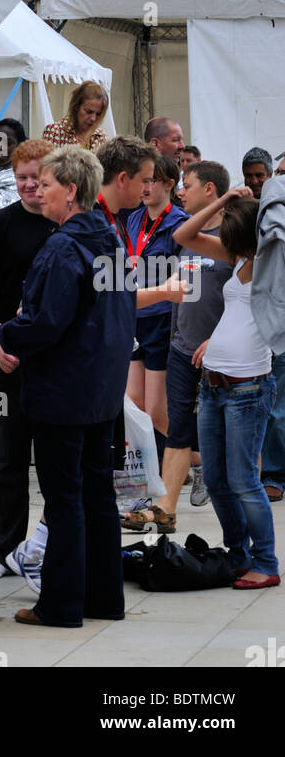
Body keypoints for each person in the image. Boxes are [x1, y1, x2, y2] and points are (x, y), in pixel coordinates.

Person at [0, 147, 135, 627]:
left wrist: (4, 332)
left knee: (65, 496)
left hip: (63, 388)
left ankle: (62, 604)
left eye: (47, 185)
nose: (39, 192)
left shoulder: (63, 246)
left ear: (71, 192)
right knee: (97, 492)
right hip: (101, 388)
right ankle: (104, 599)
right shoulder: (111, 238)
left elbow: (47, 323)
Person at [174, 187, 279, 587]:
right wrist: (223, 202)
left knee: (243, 481)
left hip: (248, 389)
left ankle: (266, 564)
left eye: (233, 237)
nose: (226, 245)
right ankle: (240, 555)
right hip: (213, 385)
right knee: (216, 480)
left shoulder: (273, 267)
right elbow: (183, 237)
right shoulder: (239, 259)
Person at [0, 140, 56, 580]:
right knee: (8, 458)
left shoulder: (68, 226)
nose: (30, 186)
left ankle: (50, 545)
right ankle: (1, 550)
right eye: (22, 178)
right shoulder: (0, 224)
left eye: (38, 177)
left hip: (56, 361)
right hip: (8, 359)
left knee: (58, 460)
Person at [123, 160, 231, 533]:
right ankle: (166, 505)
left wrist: (217, 339)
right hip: (180, 345)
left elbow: (246, 298)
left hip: (222, 351)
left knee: (225, 430)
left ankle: (228, 484)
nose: (182, 190)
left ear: (211, 190)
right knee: (176, 424)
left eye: (188, 184)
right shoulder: (185, 236)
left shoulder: (233, 238)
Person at [125, 154, 185, 457]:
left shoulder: (180, 223)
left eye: (152, 181)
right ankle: (152, 471)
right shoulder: (133, 218)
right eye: (142, 180)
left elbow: (185, 278)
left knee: (156, 410)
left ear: (170, 184)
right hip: (134, 317)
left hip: (161, 319)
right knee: (133, 402)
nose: (145, 187)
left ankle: (196, 460)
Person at [252, 171, 285, 504]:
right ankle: (273, 473)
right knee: (276, 406)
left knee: (277, 406)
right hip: (276, 321)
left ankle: (274, 473)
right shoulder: (272, 210)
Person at [42, 82, 109, 152]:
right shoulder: (54, 132)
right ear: (76, 106)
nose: (93, 118)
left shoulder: (101, 137)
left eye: (98, 114)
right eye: (89, 112)